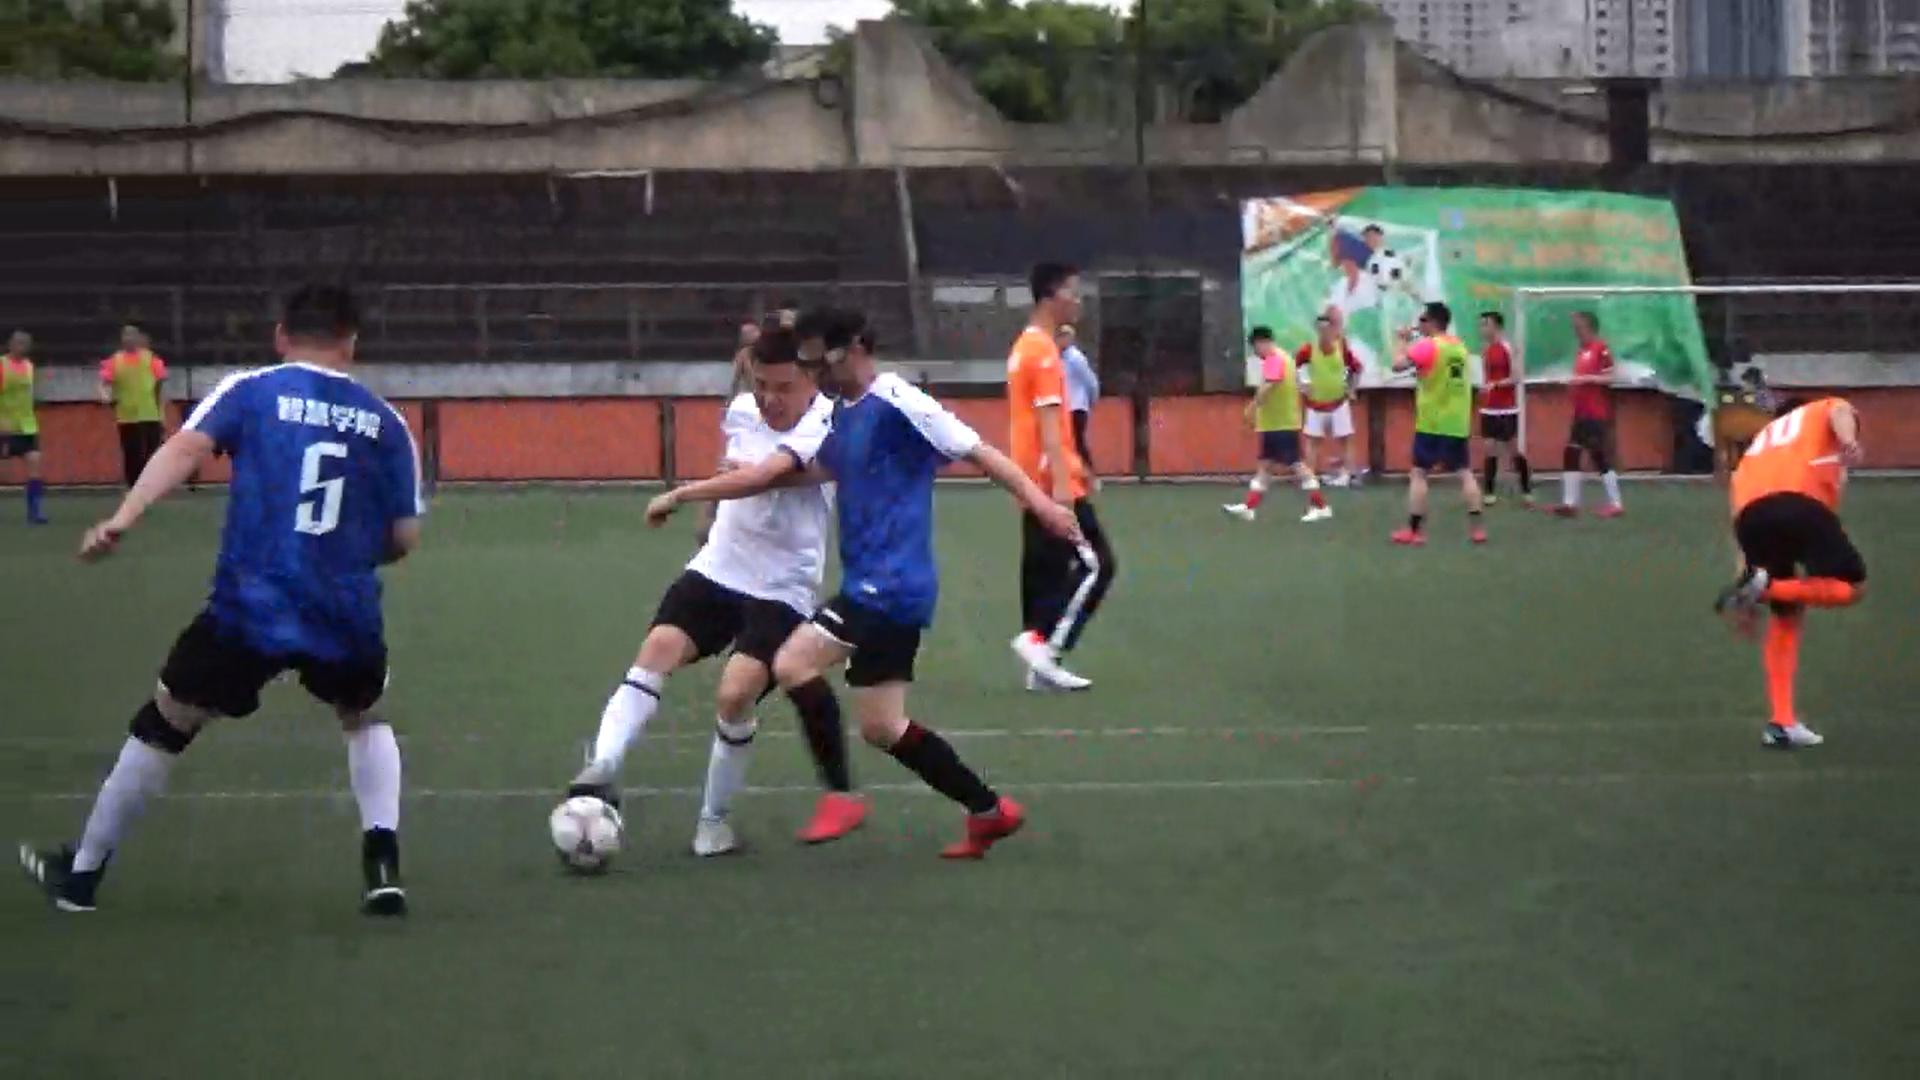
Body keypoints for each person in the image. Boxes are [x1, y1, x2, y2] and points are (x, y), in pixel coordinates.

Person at [17, 285, 425, 916]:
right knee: (364, 715)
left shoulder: (251, 391)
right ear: (351, 343)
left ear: (281, 335)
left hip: (251, 607)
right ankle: (382, 866)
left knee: (167, 722)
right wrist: (346, 556)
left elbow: (185, 449)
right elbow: (404, 537)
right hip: (343, 609)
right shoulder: (387, 422)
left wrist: (124, 517)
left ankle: (81, 874)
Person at [643, 309, 1081, 859]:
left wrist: (1043, 506)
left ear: (851, 349)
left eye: (815, 361)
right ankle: (988, 811)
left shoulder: (899, 401)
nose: (810, 374)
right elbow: (803, 474)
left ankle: (843, 796)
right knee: (882, 726)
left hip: (891, 586)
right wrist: (725, 487)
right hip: (873, 587)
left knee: (792, 662)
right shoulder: (841, 417)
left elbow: (980, 452)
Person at [566, 327, 864, 856]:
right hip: (720, 565)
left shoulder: (826, 423)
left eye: (783, 387)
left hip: (782, 585)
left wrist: (681, 494)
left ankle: (713, 824)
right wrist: (708, 515)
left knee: (735, 694)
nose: (770, 399)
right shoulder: (744, 410)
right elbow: (732, 467)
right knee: (656, 651)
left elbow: (762, 476)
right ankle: (602, 768)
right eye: (762, 385)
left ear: (811, 380)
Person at [1714, 398, 1866, 749]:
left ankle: (1781, 722)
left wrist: (1746, 585)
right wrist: (1848, 441)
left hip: (1753, 520)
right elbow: (1838, 411)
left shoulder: (1754, 454)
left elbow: (1738, 527)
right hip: (1800, 505)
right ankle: (1769, 587)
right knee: (1853, 586)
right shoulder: (1818, 411)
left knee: (1787, 614)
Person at [1009, 265, 1116, 693]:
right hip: (1052, 482)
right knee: (1098, 564)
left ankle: (1041, 669)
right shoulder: (1043, 353)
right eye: (1073, 292)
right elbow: (1050, 427)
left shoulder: (1023, 346)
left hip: (1031, 482)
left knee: (1046, 572)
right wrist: (1062, 489)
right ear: (1051, 296)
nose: (1079, 301)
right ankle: (1040, 643)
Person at [1390, 302, 1486, 546]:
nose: (1419, 324)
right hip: (1457, 422)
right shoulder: (1459, 347)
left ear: (1432, 322)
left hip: (1432, 422)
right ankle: (1477, 529)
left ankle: (1414, 531)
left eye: (1422, 320)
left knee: (1419, 473)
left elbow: (1397, 364)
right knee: (1465, 473)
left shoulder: (1429, 346)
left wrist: (1401, 340)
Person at [1223, 326, 1331, 524]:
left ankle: (1321, 506)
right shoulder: (1286, 358)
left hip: (1281, 424)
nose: (1255, 352)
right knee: (1265, 466)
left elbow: (1270, 384)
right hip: (1275, 423)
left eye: (1255, 347)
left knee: (1297, 465)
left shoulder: (1274, 359)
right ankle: (1249, 507)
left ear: (1261, 343)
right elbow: (1298, 385)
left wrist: (1252, 407)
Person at [1550, 311, 1624, 518]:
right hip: (1581, 412)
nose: (1575, 330)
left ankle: (1616, 504)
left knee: (1598, 455)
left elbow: (1610, 377)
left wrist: (1587, 379)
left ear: (1589, 327)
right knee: (1571, 453)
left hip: (1595, 412)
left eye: (1578, 326)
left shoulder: (1600, 348)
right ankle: (1570, 504)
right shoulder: (1581, 351)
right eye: (1574, 326)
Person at [99, 324, 169, 490]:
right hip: (127, 416)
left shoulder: (151, 359)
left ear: (138, 338)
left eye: (132, 335)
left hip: (150, 415)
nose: (129, 338)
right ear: (121, 339)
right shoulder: (115, 361)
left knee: (151, 452)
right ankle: (134, 488)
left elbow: (159, 389)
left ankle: (149, 485)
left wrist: (162, 414)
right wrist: (105, 396)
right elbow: (104, 384)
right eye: (126, 335)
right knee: (132, 454)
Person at [1297, 313, 1362, 487]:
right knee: (1312, 441)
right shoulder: (1308, 349)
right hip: (1315, 404)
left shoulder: (1342, 348)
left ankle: (1348, 475)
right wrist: (1302, 385)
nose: (1324, 332)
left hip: (1338, 402)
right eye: (1320, 329)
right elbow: (1293, 366)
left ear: (1332, 329)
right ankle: (1310, 477)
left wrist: (1352, 389)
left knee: (1345, 440)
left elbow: (1356, 368)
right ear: (1316, 330)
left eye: (1327, 328)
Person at [1476, 312, 1532, 505]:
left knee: (1513, 450)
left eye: (1485, 325)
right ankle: (1489, 492)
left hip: (1507, 409)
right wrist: (1484, 388)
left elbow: (1516, 377)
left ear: (1496, 327)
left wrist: (1496, 384)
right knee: (1489, 449)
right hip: (1488, 408)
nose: (1482, 329)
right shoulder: (1485, 349)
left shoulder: (1507, 348)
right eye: (1481, 325)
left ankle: (1526, 489)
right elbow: (1485, 378)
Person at [0, 330, 49, 524]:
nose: (22, 347)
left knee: (35, 463)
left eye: (25, 343)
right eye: (18, 343)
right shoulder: (2, 365)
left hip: (27, 426)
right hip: (5, 425)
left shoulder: (29, 367)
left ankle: (35, 512)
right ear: (10, 344)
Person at [1057, 323, 1100, 484]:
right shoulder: (1058, 358)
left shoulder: (1076, 358)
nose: (1061, 340)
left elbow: (1091, 381)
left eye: (1065, 336)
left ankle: (1090, 475)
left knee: (1077, 441)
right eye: (1060, 336)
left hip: (1077, 407)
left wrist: (1091, 401)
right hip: (1065, 407)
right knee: (1068, 442)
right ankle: (1075, 474)